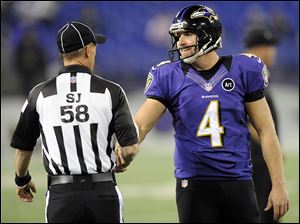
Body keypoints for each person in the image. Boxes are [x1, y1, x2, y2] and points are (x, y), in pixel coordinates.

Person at [123, 5, 289, 223]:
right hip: (193, 185)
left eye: (188, 34)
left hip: (238, 181)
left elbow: (266, 131)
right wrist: (125, 145)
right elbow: (141, 125)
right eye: (178, 35)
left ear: (208, 35)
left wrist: (278, 185)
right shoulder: (169, 75)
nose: (180, 41)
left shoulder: (244, 69)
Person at [10, 21, 139, 223]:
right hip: (103, 192)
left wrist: (22, 179)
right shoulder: (111, 91)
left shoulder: (39, 93)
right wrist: (124, 161)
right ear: (88, 50)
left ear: (62, 55)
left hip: (61, 195)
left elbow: (22, 149)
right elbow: (130, 148)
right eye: (95, 47)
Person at [244, 28, 282, 223]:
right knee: (261, 208)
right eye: (269, 47)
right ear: (257, 49)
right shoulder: (246, 74)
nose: (273, 51)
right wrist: (274, 148)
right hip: (256, 157)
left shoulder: (258, 73)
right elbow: (250, 122)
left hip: (263, 156)